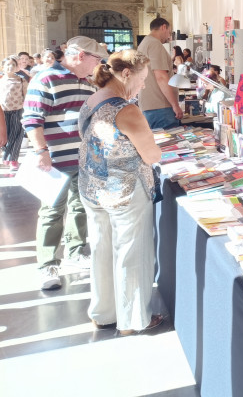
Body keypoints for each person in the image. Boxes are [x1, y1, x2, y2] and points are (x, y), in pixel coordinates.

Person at [78, 50, 164, 335]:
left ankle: (103, 313)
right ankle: (133, 319)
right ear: (126, 74)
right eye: (142, 80)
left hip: (92, 185)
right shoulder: (127, 110)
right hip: (124, 191)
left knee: (101, 249)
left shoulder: (91, 100)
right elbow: (151, 156)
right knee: (131, 253)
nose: (142, 86)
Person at [22, 36, 109, 290]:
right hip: (55, 160)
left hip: (83, 158)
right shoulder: (46, 78)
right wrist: (41, 151)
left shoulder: (87, 82)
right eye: (97, 60)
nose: (99, 65)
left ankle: (76, 250)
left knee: (80, 206)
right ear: (80, 56)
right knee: (51, 212)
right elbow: (32, 118)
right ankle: (47, 263)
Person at [137, 17, 183, 129]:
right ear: (163, 27)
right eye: (169, 32)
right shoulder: (154, 44)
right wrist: (175, 105)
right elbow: (161, 77)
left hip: (151, 105)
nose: (169, 36)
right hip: (160, 106)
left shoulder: (144, 43)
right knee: (169, 144)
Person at [0, 56, 28, 162]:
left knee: (15, 136)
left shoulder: (21, 80)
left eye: (13, 65)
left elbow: (26, 96)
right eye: (8, 64)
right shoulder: (1, 80)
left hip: (17, 111)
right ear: (3, 67)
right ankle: (7, 155)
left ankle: (12, 159)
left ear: (17, 67)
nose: (10, 67)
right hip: (2, 112)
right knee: (4, 137)